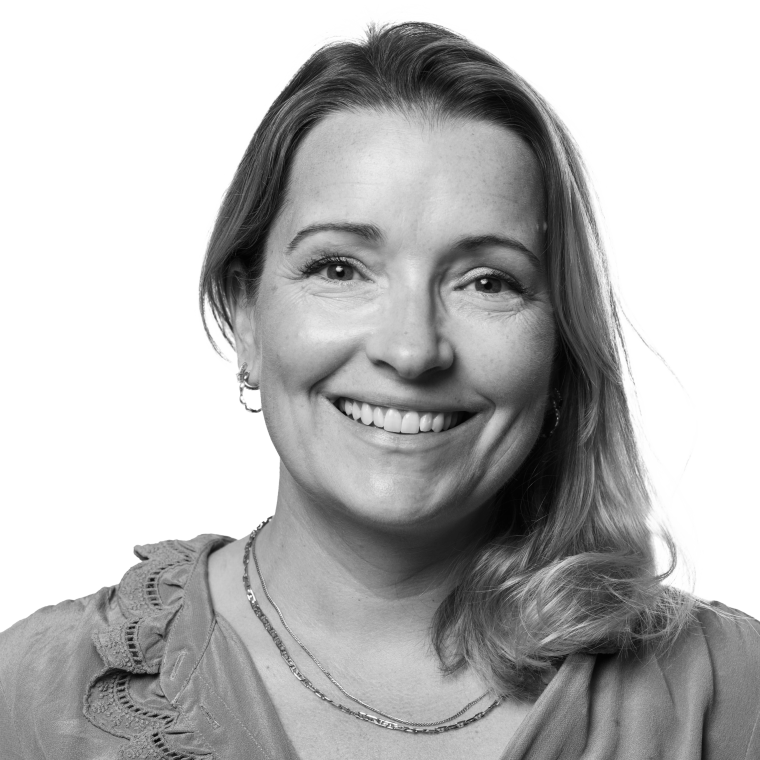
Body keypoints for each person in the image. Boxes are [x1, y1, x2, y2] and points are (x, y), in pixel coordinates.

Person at [2, 6, 758, 759]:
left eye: (488, 281)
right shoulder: (29, 695)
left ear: (563, 340)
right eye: (339, 269)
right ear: (245, 314)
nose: (412, 350)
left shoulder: (739, 686)